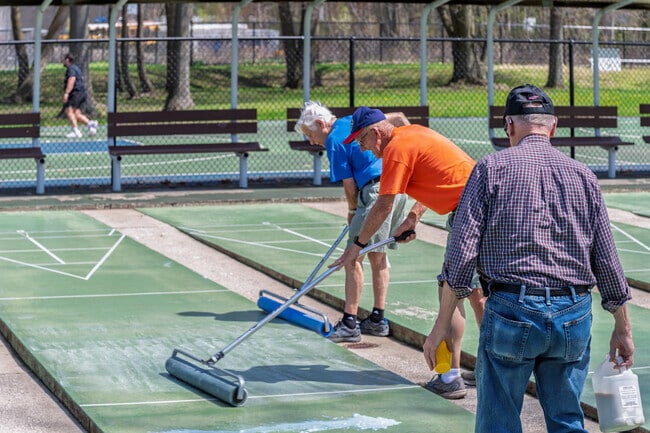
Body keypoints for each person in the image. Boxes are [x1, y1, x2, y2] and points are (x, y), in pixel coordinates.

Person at [423, 84, 635, 432]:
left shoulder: (489, 169)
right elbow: (608, 261)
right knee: (567, 419)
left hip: (511, 309)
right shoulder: (584, 176)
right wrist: (622, 328)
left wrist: (442, 323)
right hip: (572, 313)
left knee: (499, 422)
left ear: (509, 126)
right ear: (553, 127)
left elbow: (461, 254)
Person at [331, 106, 485, 399]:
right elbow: (439, 177)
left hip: (471, 211)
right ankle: (488, 369)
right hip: (478, 205)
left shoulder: (395, 150)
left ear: (375, 134)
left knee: (451, 289)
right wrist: (414, 215)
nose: (364, 150)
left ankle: (450, 377)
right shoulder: (412, 134)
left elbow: (384, 205)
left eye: (362, 142)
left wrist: (357, 246)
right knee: (476, 294)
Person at [295, 101, 409, 343]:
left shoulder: (334, 142)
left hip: (377, 192)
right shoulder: (352, 122)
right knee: (377, 255)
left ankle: (349, 322)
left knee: (352, 256)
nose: (312, 142)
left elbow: (349, 185)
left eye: (311, 135)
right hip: (398, 187)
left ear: (320, 124)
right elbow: (398, 116)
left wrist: (352, 210)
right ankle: (378, 319)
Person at [62, 53, 97, 138]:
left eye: (63, 59)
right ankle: (90, 124)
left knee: (69, 111)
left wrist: (67, 93)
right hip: (82, 93)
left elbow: (72, 79)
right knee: (76, 113)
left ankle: (76, 131)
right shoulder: (76, 68)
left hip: (76, 93)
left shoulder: (71, 69)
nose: (62, 61)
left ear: (67, 60)